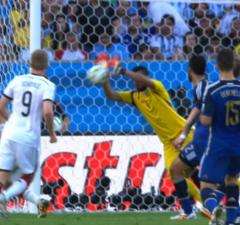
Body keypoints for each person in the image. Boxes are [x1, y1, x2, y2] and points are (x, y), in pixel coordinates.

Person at [100, 65, 202, 213]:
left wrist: (124, 72)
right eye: (135, 78)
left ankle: (222, 195)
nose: (137, 80)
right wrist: (104, 82)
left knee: (206, 171)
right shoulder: (135, 96)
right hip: (168, 143)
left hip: (184, 135)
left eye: (139, 77)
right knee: (173, 173)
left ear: (147, 78)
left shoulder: (157, 88)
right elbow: (112, 96)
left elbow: (143, 80)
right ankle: (191, 209)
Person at [0, 49, 57, 225]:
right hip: (29, 137)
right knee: (27, 177)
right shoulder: (47, 85)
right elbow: (47, 111)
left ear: (29, 63)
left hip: (9, 134)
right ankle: (5, 197)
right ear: (46, 65)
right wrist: (52, 133)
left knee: (0, 178)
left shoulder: (17, 80)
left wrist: (13, 121)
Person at [199, 49, 240, 225]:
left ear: (217, 66)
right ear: (235, 64)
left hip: (218, 144)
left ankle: (211, 208)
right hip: (238, 144)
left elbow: (206, 120)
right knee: (231, 179)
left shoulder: (212, 89)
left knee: (206, 185)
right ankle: (231, 221)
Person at [169, 55, 212, 220]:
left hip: (204, 142)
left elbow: (197, 110)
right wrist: (184, 134)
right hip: (202, 140)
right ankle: (190, 210)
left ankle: (208, 208)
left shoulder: (202, 87)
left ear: (190, 70)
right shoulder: (202, 87)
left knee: (176, 169)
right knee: (180, 170)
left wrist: (183, 134)